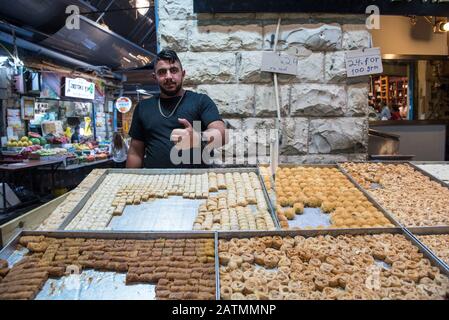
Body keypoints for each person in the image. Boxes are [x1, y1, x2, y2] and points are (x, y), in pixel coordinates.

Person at [126, 49, 226, 168]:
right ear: (155, 77)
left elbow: (222, 135)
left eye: (173, 70)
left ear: (182, 74)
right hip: (155, 182)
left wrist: (198, 138)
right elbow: (135, 152)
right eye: (162, 72)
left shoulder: (201, 101)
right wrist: (130, 180)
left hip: (195, 182)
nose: (168, 76)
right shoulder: (143, 107)